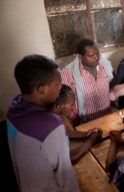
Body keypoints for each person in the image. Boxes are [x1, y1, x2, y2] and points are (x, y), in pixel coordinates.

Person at [7, 55, 80, 192]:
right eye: (58, 85)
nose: (60, 88)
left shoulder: (13, 109)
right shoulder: (52, 126)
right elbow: (66, 176)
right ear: (41, 89)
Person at [60, 38, 118, 123]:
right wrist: (75, 120)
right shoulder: (68, 73)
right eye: (91, 56)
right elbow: (63, 102)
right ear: (80, 57)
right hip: (85, 120)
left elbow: (113, 86)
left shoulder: (105, 65)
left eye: (97, 53)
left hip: (107, 115)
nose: (96, 58)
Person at [51, 84, 103, 163]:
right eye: (72, 105)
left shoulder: (58, 116)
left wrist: (86, 133)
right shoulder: (52, 127)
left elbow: (67, 132)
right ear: (59, 107)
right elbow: (68, 158)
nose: (74, 108)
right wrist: (90, 142)